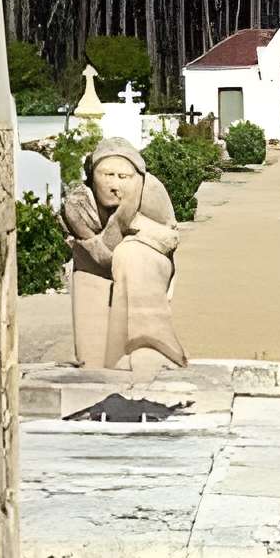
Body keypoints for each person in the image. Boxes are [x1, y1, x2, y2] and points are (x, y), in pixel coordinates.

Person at [59, 138, 187, 379]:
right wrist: (116, 225)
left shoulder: (149, 190)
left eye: (123, 177)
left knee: (130, 255)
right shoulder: (80, 204)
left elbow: (170, 238)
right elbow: (99, 254)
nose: (114, 185)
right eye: (107, 175)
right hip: (96, 265)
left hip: (149, 257)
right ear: (92, 175)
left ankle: (151, 345)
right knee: (93, 366)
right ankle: (103, 362)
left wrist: (134, 224)